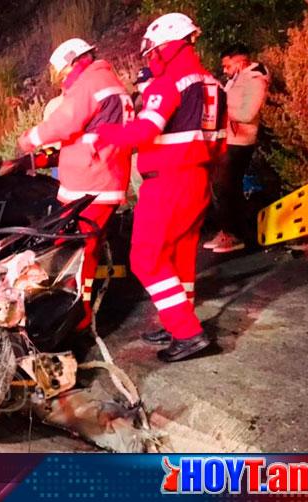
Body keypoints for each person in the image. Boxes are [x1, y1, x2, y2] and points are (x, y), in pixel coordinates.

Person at [92, 13, 227, 362]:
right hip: (200, 179)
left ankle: (187, 333)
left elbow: (143, 132)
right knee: (181, 255)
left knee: (146, 259)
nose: (150, 58)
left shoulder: (169, 82)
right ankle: (177, 319)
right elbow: (222, 142)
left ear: (166, 47)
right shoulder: (213, 84)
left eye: (152, 51)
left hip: (167, 181)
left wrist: (105, 133)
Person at [16, 38, 134, 332]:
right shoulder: (110, 82)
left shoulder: (91, 82)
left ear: (72, 62)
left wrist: (29, 140)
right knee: (85, 251)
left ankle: (74, 314)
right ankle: (79, 307)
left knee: (74, 252)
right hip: (102, 179)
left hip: (91, 184)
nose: (62, 80)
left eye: (62, 72)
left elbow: (65, 123)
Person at [202, 44, 270, 253]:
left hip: (240, 142)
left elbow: (249, 113)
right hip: (229, 139)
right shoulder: (237, 79)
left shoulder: (255, 79)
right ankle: (228, 231)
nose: (224, 70)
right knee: (224, 188)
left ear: (239, 60)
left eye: (227, 65)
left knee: (227, 189)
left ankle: (234, 234)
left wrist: (223, 110)